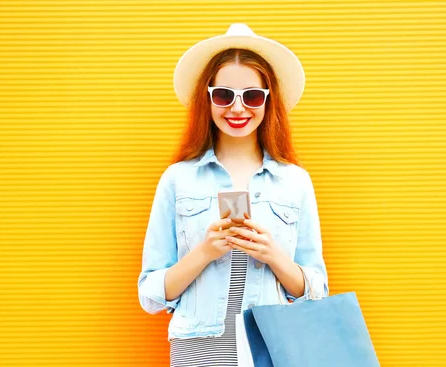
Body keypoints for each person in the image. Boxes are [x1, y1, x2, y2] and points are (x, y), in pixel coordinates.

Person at [137, 23, 329, 367]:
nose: (238, 108)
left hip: (270, 348)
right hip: (198, 351)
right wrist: (205, 252)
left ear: (268, 101)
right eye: (224, 95)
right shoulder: (178, 179)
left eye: (252, 96)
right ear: (208, 99)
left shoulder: (295, 182)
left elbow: (316, 292)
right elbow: (150, 294)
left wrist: (273, 255)